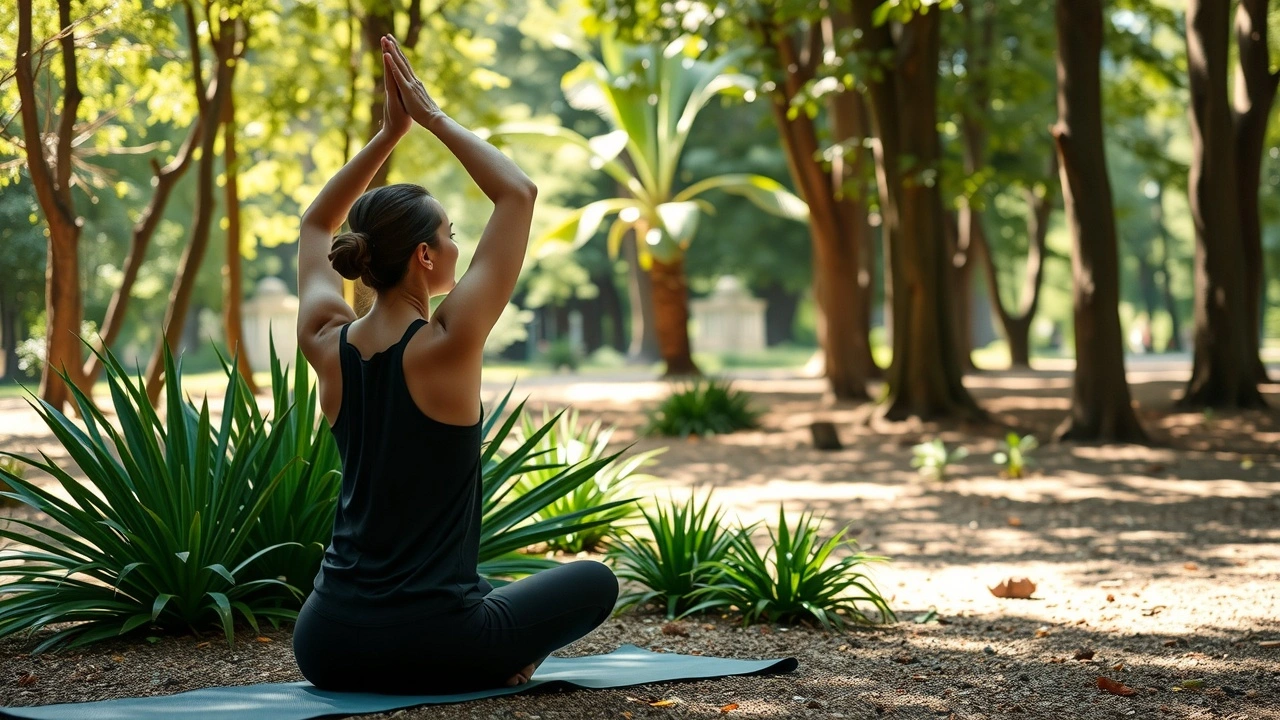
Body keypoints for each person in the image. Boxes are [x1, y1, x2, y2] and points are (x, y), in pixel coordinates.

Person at [290, 33, 619, 695]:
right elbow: (517, 193)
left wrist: (388, 134)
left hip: (325, 642)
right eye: (449, 235)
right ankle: (499, 661)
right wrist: (430, 119)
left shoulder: (326, 342)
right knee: (594, 581)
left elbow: (313, 225)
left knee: (482, 586)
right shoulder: (447, 344)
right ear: (424, 256)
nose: (456, 244)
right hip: (430, 643)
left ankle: (483, 642)